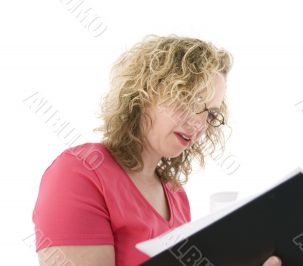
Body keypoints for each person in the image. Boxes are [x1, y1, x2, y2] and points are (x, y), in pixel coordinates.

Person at [32, 35, 282, 266]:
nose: (198, 123)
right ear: (143, 93)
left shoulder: (176, 195)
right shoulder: (80, 172)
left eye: (210, 113)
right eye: (188, 99)